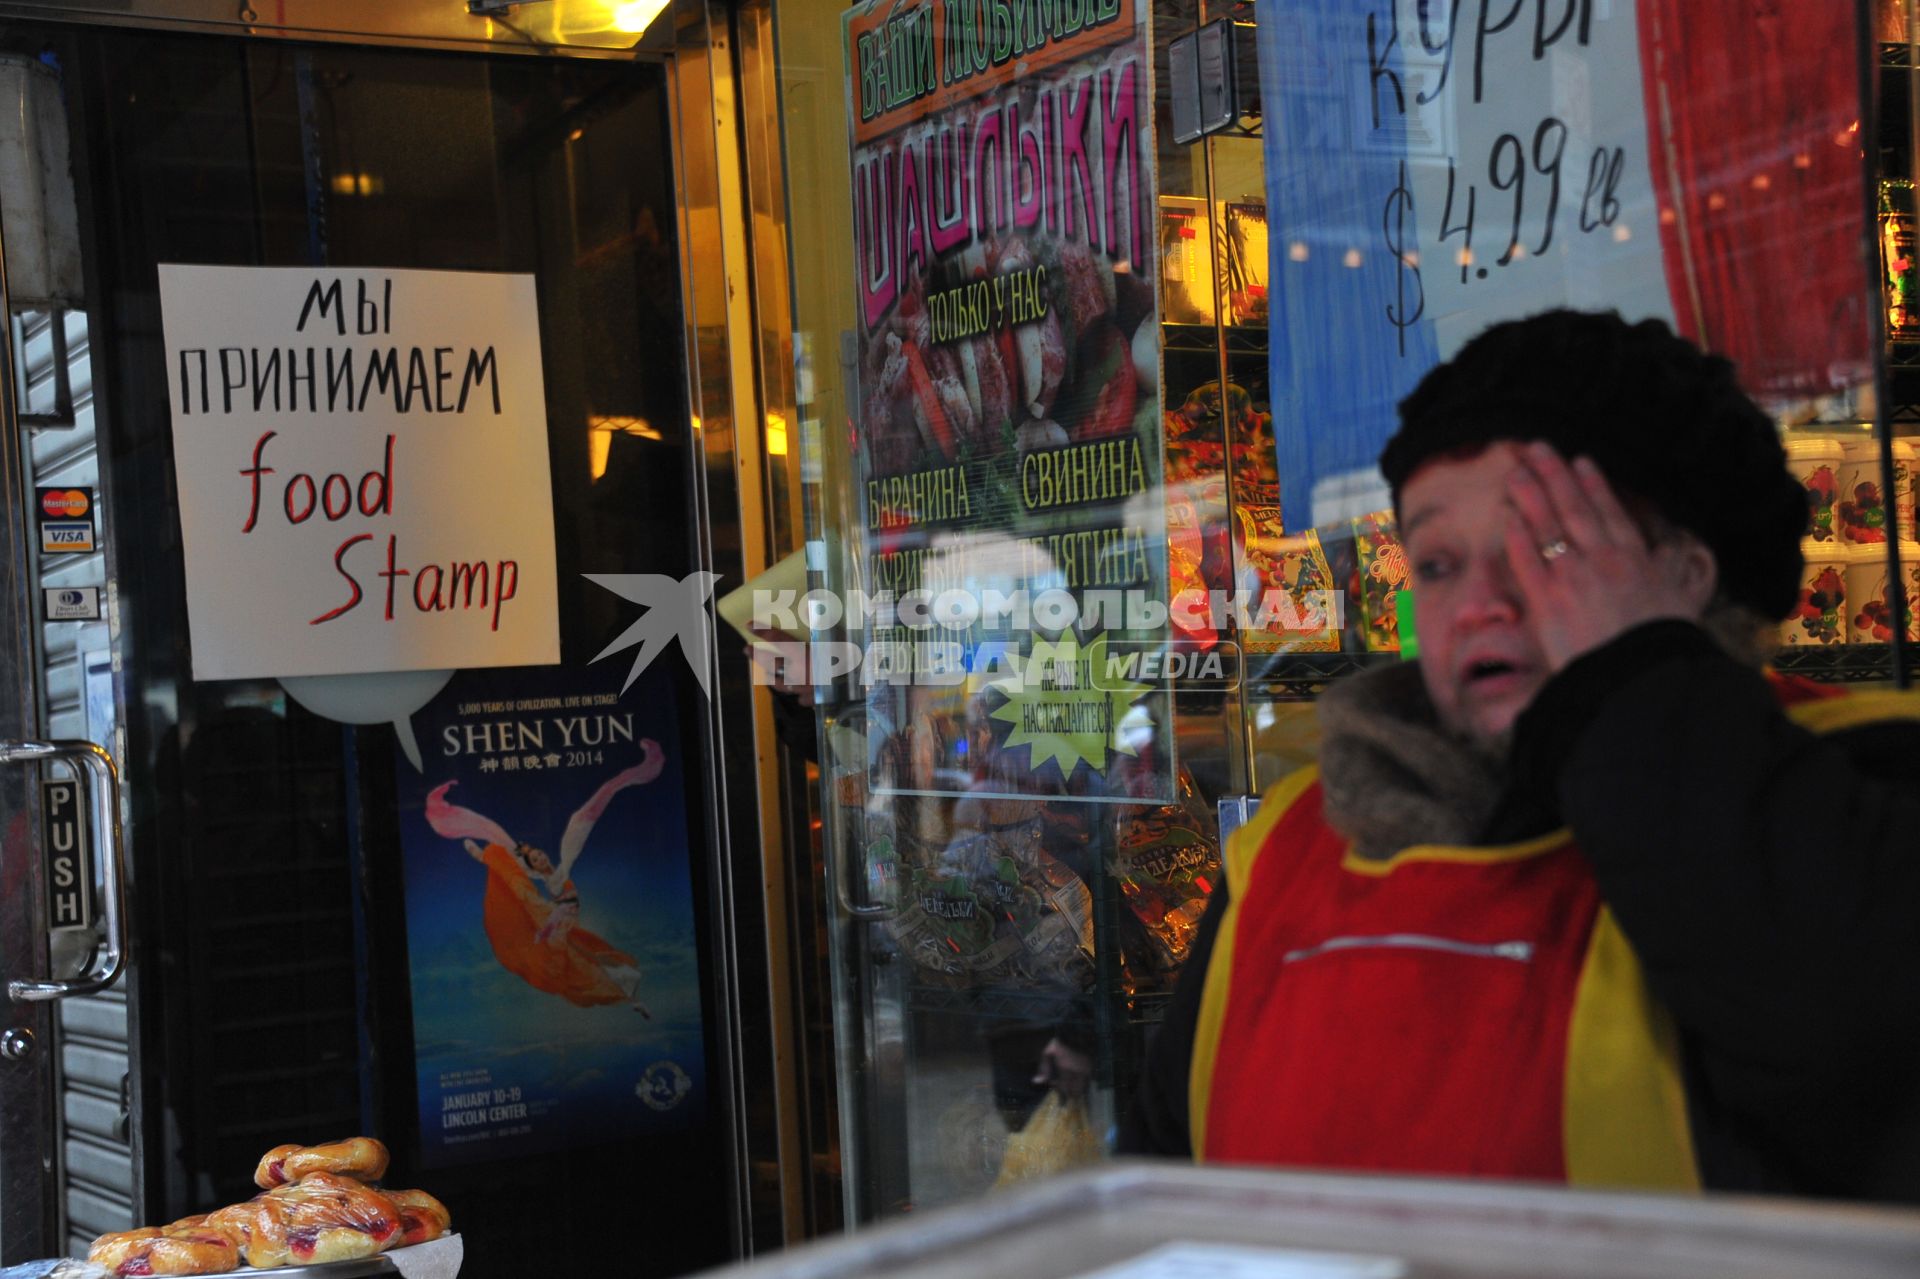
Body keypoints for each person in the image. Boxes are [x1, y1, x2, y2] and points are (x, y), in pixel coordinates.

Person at [1119, 309, 1920, 1202]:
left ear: (1688, 570)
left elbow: (1842, 1033)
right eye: (1438, 562)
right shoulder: (1283, 848)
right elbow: (1166, 1187)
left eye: (1547, 547)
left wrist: (1631, 671)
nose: (1479, 604)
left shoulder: (1864, 782)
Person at [424, 748, 664, 1013]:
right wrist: (484, 852)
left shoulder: (558, 872)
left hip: (560, 918)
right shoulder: (546, 878)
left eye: (539, 855)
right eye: (536, 858)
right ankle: (631, 1000)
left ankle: (630, 998)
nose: (539, 857)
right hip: (556, 919)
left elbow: (576, 831)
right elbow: (515, 866)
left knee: (589, 962)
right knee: (579, 966)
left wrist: (615, 785)